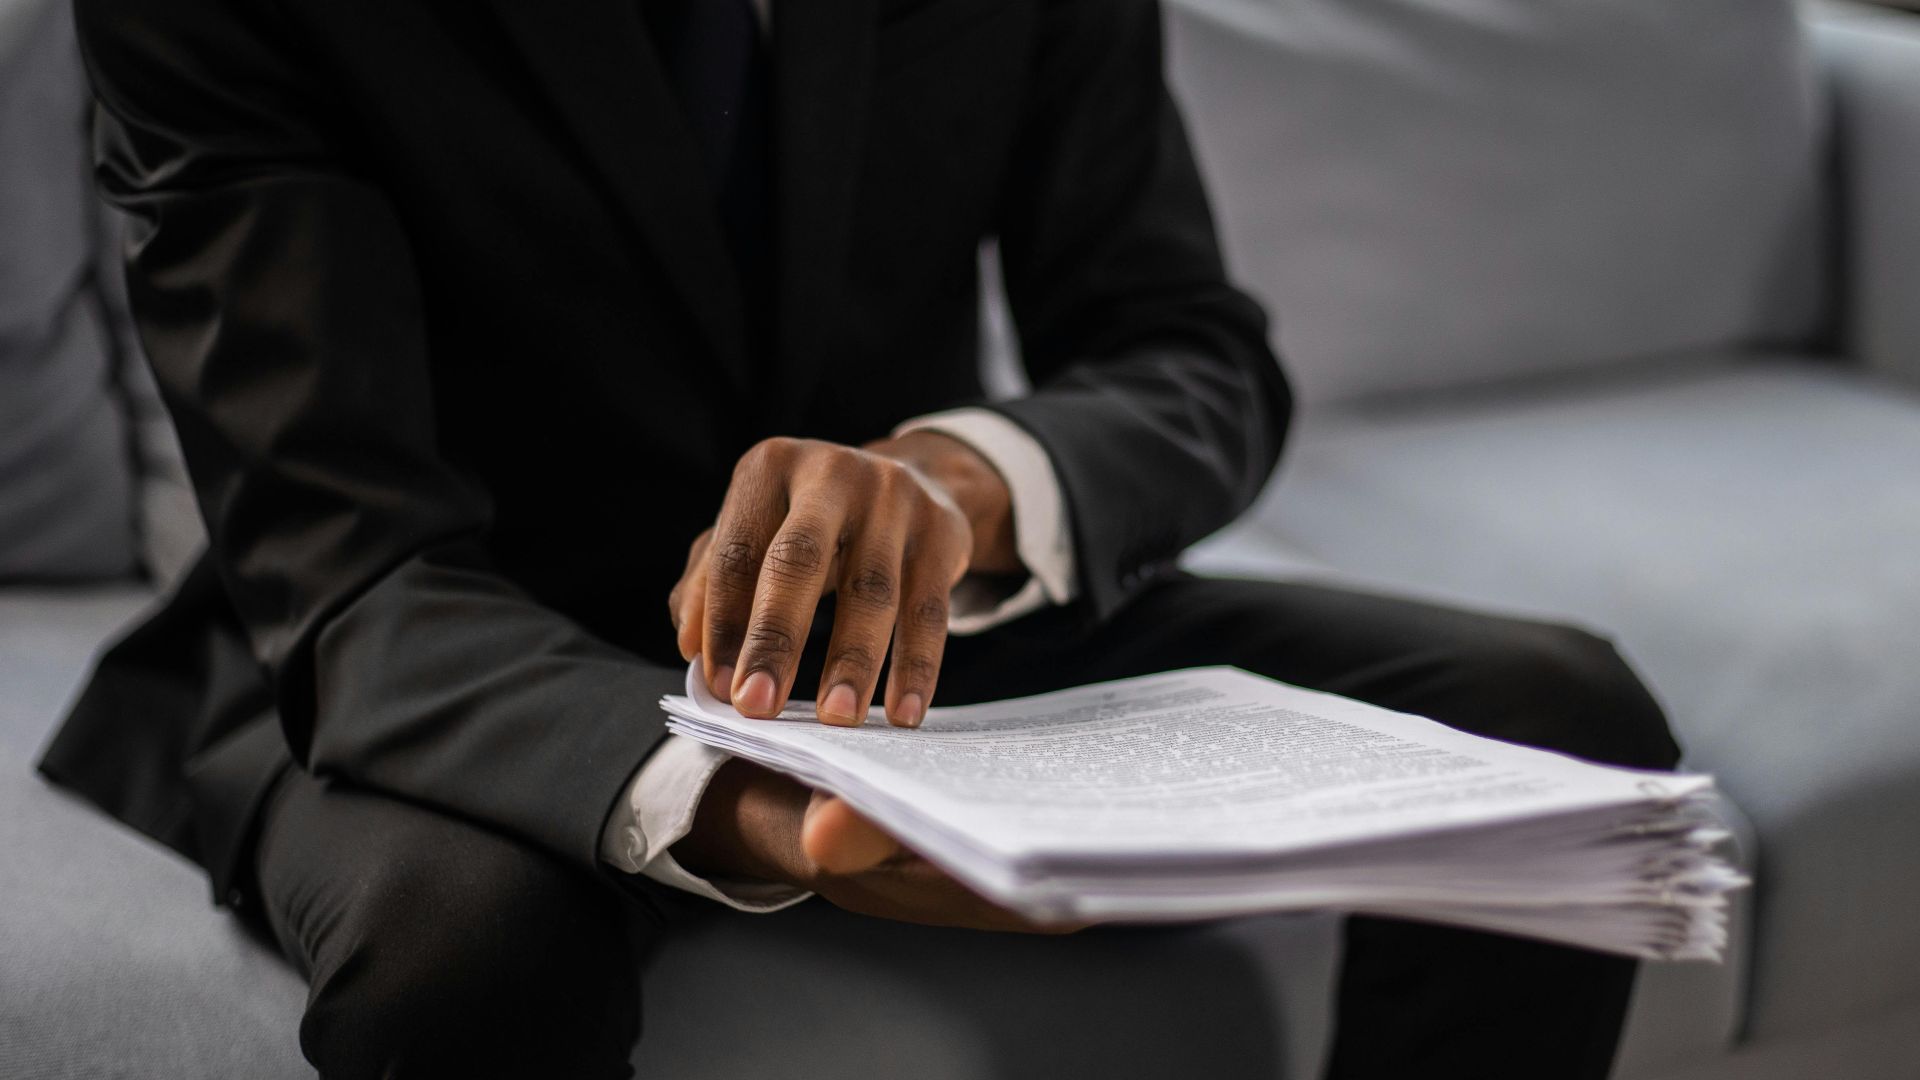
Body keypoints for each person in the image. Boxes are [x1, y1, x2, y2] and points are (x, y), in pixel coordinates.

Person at [41, 0, 1682, 1076]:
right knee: (467, 961)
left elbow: (1191, 350)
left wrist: (958, 485)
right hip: (441, 649)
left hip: (908, 635)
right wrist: (767, 811)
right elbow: (355, 565)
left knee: (1554, 719)